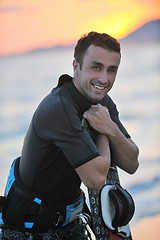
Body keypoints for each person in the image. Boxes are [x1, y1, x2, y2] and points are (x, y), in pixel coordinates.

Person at [0, 32, 139, 240]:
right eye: (96, 67)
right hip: (29, 231)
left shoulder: (103, 103)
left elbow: (131, 162)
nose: (104, 78)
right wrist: (104, 131)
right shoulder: (59, 108)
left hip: (71, 224)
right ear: (76, 66)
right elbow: (95, 178)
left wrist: (109, 127)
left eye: (112, 70)